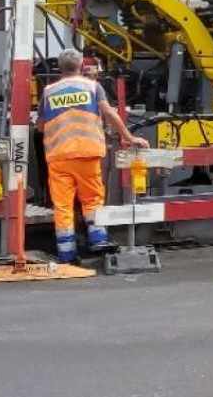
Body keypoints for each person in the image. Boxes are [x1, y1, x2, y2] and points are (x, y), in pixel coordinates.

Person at [39, 49, 148, 262]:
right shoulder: (92, 87)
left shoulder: (49, 91)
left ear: (59, 68)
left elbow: (41, 126)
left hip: (59, 155)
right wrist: (128, 137)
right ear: (81, 66)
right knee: (92, 199)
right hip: (87, 152)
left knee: (63, 206)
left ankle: (67, 253)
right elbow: (109, 113)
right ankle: (98, 240)